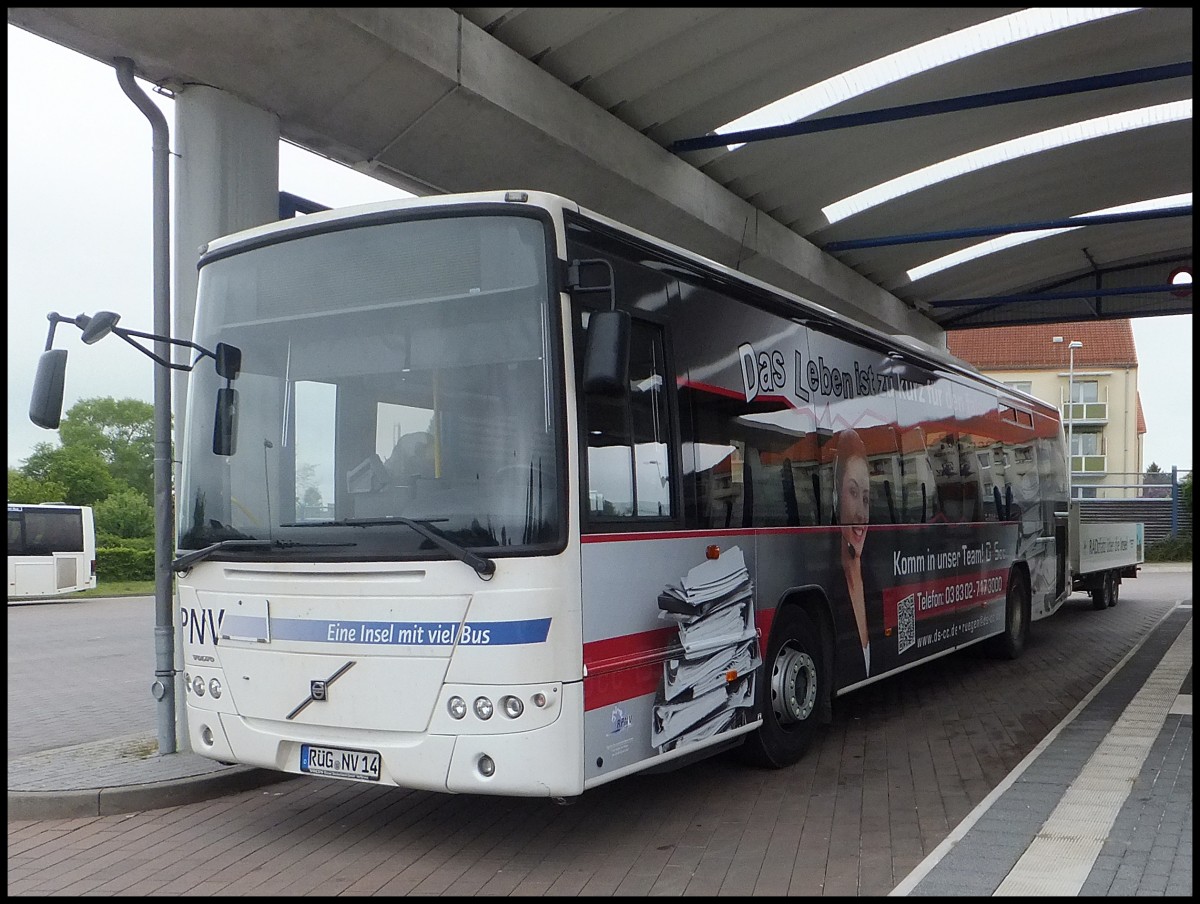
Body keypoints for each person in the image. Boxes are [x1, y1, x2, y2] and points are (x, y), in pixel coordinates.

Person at [832, 427, 873, 679]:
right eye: (853, 493)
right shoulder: (829, 583)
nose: (861, 513)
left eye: (866, 499)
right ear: (835, 497)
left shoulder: (876, 580)